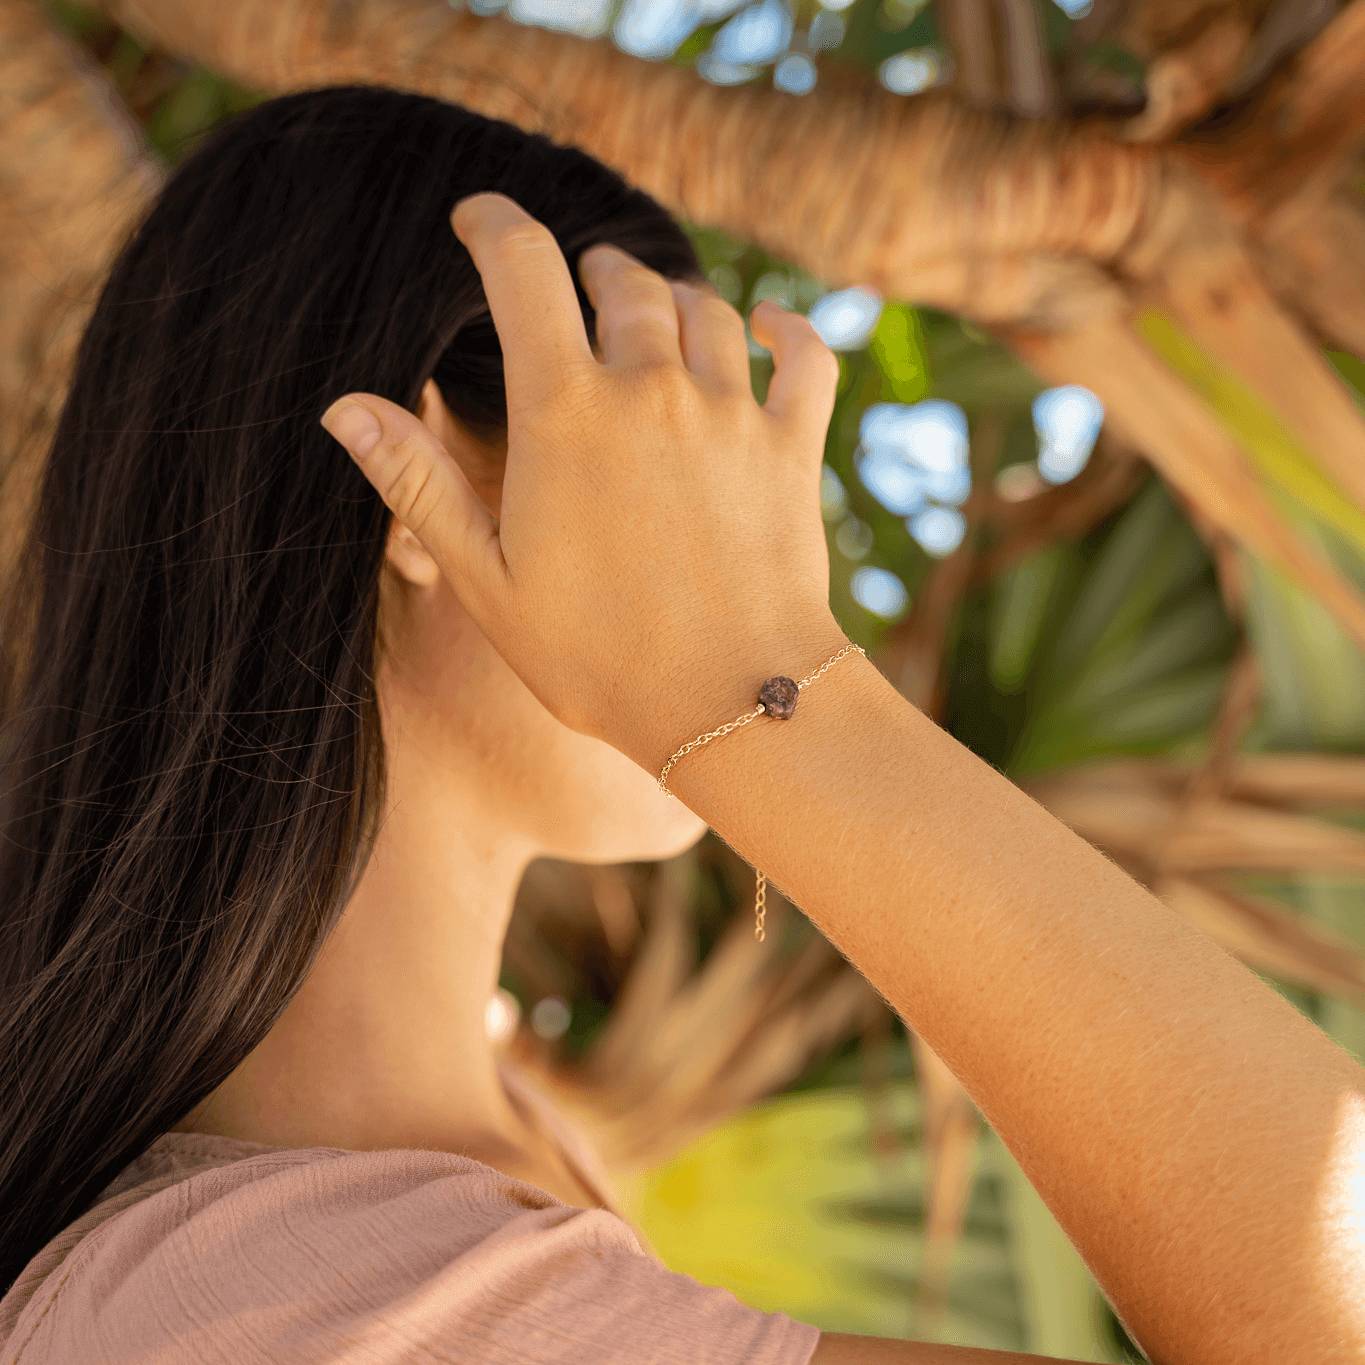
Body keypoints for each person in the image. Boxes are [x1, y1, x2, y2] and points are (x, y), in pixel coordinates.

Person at [0, 82, 1360, 1365]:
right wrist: (767, 686)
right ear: (419, 488)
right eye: (686, 449)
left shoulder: (416, 1210)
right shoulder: (346, 1304)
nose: (769, 547)